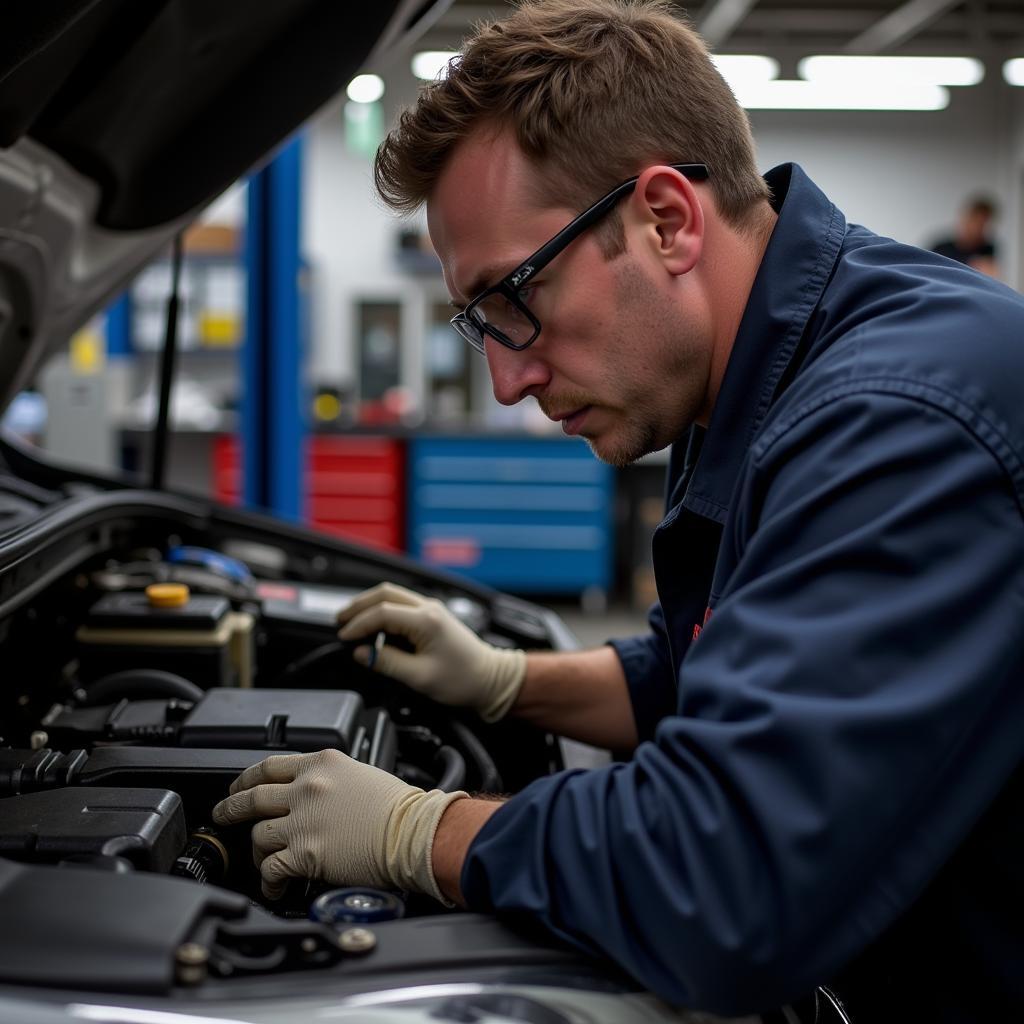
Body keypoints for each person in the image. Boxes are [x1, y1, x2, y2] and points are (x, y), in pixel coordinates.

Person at [212, 1, 1024, 1018]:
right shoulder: (767, 363)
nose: (507, 380)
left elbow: (724, 884)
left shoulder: (894, 423)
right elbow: (708, 666)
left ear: (667, 219)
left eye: (516, 299)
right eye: (478, 325)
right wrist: (507, 681)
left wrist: (424, 831)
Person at [930, 195, 1000, 278]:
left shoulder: (987, 249)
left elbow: (990, 277)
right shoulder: (941, 249)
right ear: (965, 220)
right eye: (976, 222)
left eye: (983, 224)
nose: (978, 229)